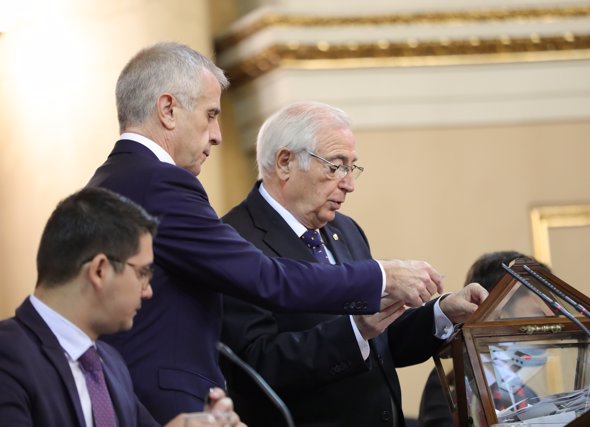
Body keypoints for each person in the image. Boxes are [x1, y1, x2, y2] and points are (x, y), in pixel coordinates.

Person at [86, 41, 448, 423]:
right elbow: (265, 277)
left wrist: (439, 314)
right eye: (210, 114)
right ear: (168, 109)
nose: (217, 135)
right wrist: (381, 276)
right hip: (166, 406)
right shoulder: (162, 184)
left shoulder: (110, 179)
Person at [219, 101, 488, 427]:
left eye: (351, 167)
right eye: (335, 166)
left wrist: (442, 312)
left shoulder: (344, 230)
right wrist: (353, 332)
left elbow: (378, 341)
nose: (349, 183)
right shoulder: (235, 241)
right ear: (285, 162)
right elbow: (257, 364)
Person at [0, 187, 245, 427]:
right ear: (100, 270)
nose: (148, 290)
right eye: (143, 273)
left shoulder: (110, 363)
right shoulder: (8, 356)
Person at [417, 250, 552, 427]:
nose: (550, 321)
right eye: (539, 314)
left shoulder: (526, 393)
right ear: (497, 309)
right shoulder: (451, 385)